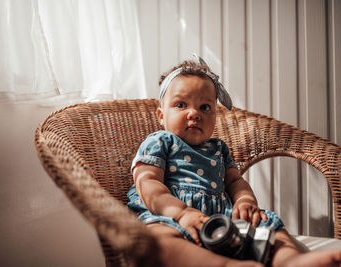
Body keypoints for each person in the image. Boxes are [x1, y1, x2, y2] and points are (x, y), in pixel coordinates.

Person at [127, 55, 341, 267]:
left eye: (205, 107)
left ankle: (289, 260)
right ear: (161, 115)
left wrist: (245, 201)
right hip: (169, 216)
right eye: (181, 104)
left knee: (267, 223)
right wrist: (180, 213)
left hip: (221, 217)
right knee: (159, 241)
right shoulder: (160, 141)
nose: (194, 113)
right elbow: (147, 183)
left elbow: (235, 182)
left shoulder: (218, 149)